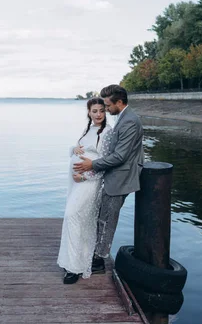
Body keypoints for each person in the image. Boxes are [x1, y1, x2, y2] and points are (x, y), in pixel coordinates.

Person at [73, 84, 144, 274]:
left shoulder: (130, 121)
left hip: (121, 177)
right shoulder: (123, 117)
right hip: (115, 174)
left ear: (119, 102)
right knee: (103, 217)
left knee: (107, 220)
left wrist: (93, 165)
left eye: (107, 105)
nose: (105, 109)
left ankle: (99, 261)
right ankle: (98, 255)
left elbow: (120, 156)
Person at [57, 98, 113, 284]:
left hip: (89, 183)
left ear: (105, 112)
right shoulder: (88, 129)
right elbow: (77, 150)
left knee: (72, 216)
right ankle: (73, 263)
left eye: (101, 111)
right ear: (88, 112)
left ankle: (75, 268)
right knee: (76, 220)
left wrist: (85, 177)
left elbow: (105, 163)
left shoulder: (107, 133)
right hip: (76, 183)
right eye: (94, 111)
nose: (98, 114)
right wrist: (74, 148)